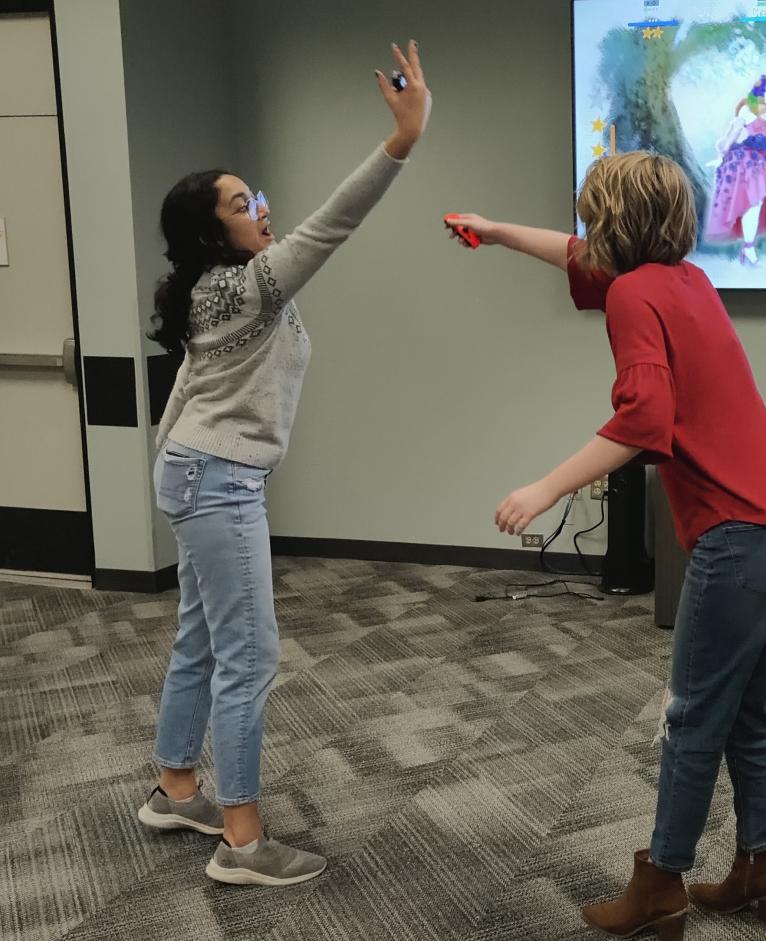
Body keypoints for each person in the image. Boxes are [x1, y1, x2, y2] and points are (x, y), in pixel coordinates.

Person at [450, 151, 766, 939]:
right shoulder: (683, 280)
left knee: (693, 718)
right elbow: (571, 252)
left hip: (744, 535)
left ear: (613, 223)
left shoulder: (631, 294)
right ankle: (764, 866)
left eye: (592, 216)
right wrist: (493, 232)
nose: (583, 231)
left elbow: (645, 417)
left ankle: (660, 883)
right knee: (748, 711)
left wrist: (545, 487)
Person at [140, 41, 431, 887]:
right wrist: (401, 141)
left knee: (202, 640)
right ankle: (242, 841)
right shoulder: (244, 285)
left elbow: (189, 382)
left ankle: (174, 785)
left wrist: (171, 468)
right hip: (217, 481)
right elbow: (333, 223)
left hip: (199, 473)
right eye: (241, 202)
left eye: (255, 194)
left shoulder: (217, 289)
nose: (260, 207)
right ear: (211, 229)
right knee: (250, 656)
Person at [705, 74, 766, 266]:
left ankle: (748, 248)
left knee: (757, 203)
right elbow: (730, 137)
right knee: (752, 203)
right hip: (748, 163)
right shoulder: (747, 110)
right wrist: (720, 157)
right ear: (762, 92)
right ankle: (749, 249)